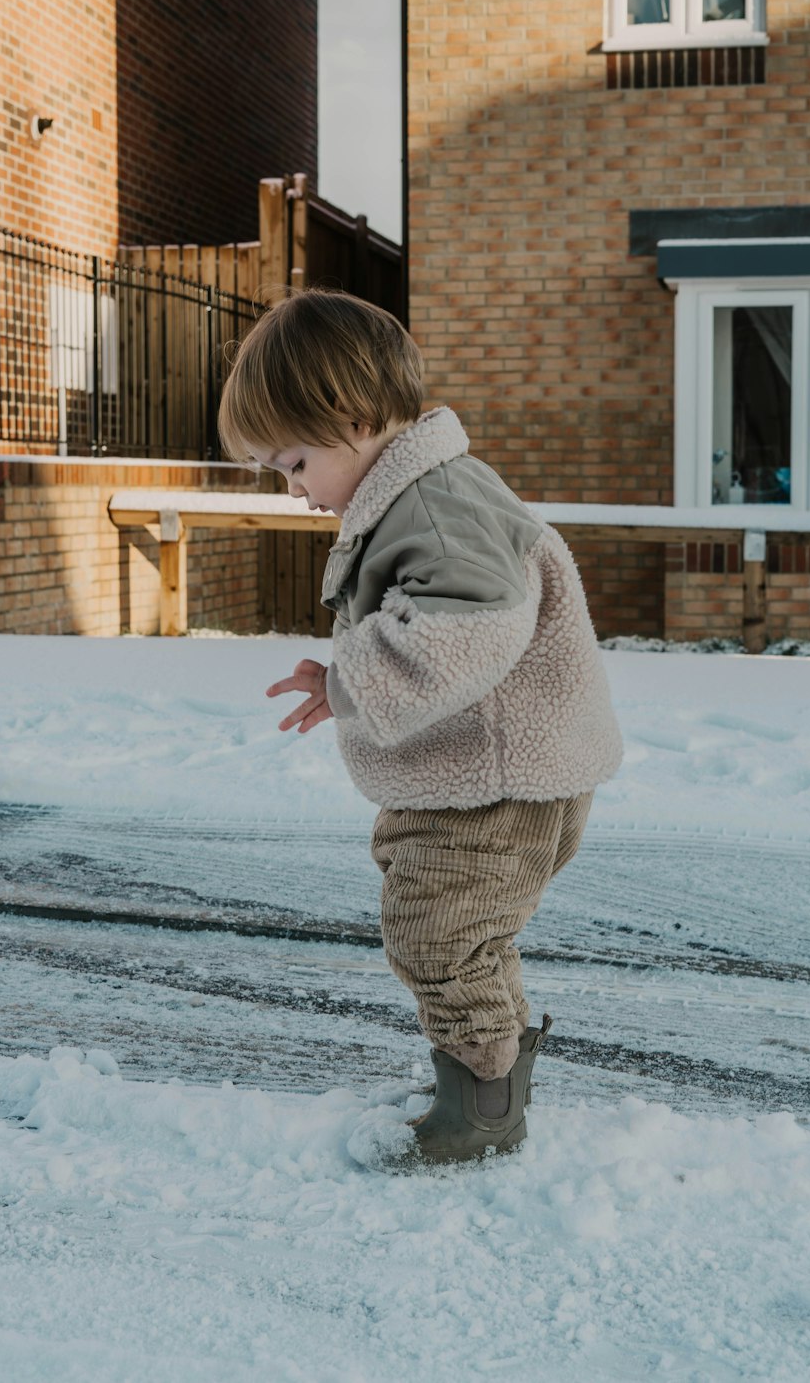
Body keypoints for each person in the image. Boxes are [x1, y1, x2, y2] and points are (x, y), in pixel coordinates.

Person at [218, 290, 623, 1166]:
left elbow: (469, 623)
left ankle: (480, 1106)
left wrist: (356, 677)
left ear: (356, 420)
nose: (295, 492)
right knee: (459, 929)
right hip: (485, 767)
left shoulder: (433, 504)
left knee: (436, 932)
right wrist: (345, 684)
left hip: (499, 777)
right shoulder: (415, 493)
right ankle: (484, 1073)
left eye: (293, 464)